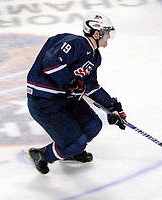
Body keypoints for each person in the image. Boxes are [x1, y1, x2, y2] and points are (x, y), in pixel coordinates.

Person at [26, 12, 127, 174]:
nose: (108, 36)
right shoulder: (77, 44)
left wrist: (112, 107)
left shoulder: (95, 58)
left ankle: (68, 152)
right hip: (45, 102)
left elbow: (91, 86)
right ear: (96, 33)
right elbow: (51, 63)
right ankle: (41, 155)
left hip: (65, 99)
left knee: (93, 125)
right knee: (78, 143)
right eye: (107, 32)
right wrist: (70, 82)